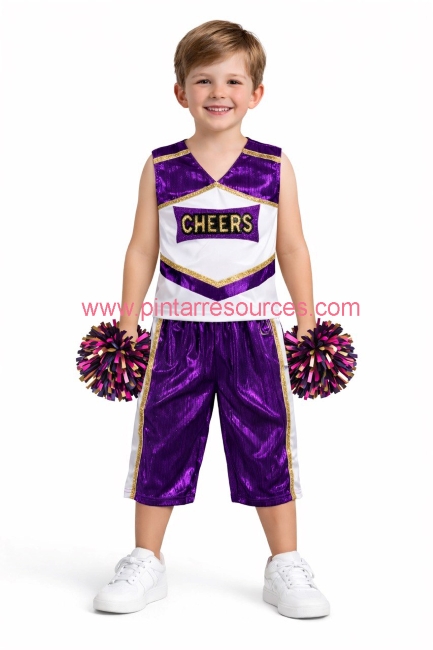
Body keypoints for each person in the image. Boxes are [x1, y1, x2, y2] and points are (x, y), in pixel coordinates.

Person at [93, 19, 330, 619]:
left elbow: (293, 247)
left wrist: (307, 323)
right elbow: (142, 248)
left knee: (267, 440)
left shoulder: (274, 166)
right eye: (203, 80)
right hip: (177, 334)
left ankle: (285, 564)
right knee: (163, 438)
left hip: (254, 334)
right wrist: (127, 324)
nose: (218, 92)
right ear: (181, 92)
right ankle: (146, 559)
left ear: (256, 93)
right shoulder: (162, 166)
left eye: (233, 81)